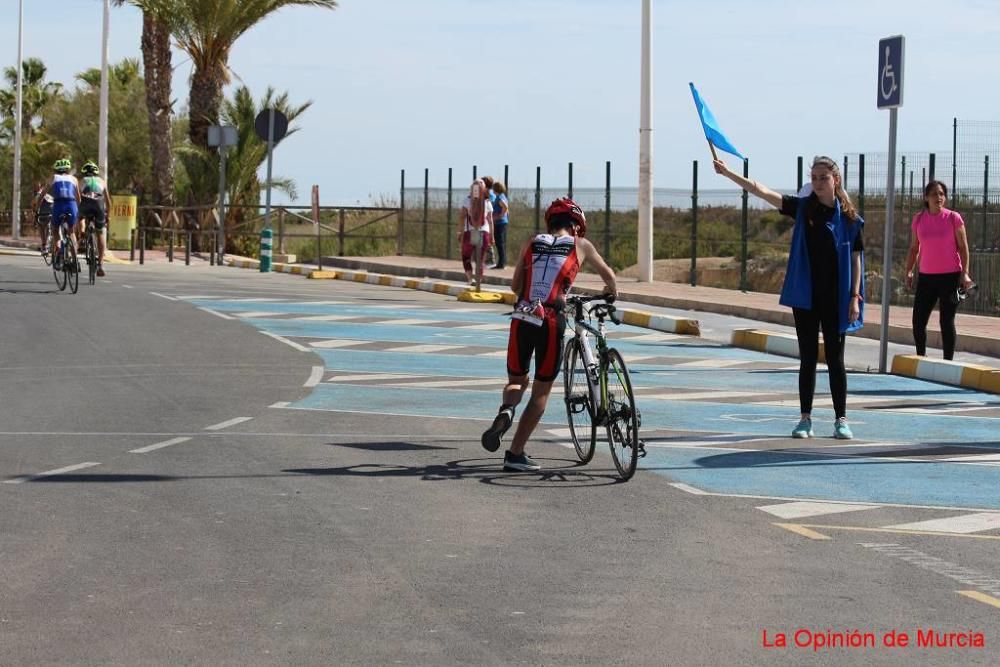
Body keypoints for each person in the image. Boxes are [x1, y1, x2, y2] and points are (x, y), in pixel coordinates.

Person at [714, 155, 864, 440]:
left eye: (824, 177)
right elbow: (762, 190)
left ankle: (841, 420)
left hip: (837, 299)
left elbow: (856, 260)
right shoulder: (803, 207)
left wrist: (855, 297)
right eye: (815, 178)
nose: (818, 183)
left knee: (836, 359)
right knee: (808, 357)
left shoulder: (850, 219)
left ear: (836, 180)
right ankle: (805, 419)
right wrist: (729, 173)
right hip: (806, 297)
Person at [481, 197, 618, 471]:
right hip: (551, 321)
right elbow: (609, 277)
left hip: (522, 317)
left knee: (517, 380)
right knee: (541, 391)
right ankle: (515, 453)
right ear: (576, 225)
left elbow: (515, 285)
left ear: (550, 222)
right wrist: (611, 293)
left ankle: (506, 410)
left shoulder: (531, 242)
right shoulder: (581, 245)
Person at [903, 180, 974, 360]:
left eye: (942, 194)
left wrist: (965, 273)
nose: (939, 197)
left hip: (951, 278)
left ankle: (948, 361)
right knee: (918, 321)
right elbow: (914, 248)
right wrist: (909, 270)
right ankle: (921, 357)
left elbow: (964, 248)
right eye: (934, 194)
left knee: (946, 321)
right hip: (926, 278)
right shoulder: (918, 219)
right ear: (926, 197)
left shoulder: (953, 218)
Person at [78, 161, 114, 277]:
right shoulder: (102, 182)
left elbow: (77, 198)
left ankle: (82, 233)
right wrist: (108, 216)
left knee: (79, 217)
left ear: (84, 173)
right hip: (99, 206)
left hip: (86, 204)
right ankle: (101, 265)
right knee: (101, 233)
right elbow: (108, 202)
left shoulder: (81, 181)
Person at [457, 179, 494, 285]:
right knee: (480, 259)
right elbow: (490, 221)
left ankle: (470, 279)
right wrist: (492, 236)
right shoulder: (487, 201)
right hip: (484, 232)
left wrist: (460, 231)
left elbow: (462, 217)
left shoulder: (467, 200)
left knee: (466, 256)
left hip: (470, 232)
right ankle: (478, 280)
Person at [47, 158, 81, 261]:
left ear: (56, 170)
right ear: (68, 169)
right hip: (71, 204)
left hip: (58, 205)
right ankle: (75, 260)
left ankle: (59, 251)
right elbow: (78, 198)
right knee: (71, 232)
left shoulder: (53, 177)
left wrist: (38, 208)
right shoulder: (74, 179)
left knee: (55, 229)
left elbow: (42, 195)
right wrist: (79, 211)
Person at [491, 180, 510, 269]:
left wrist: (500, 216)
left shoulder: (500, 197)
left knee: (499, 243)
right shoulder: (500, 196)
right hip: (500, 222)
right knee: (499, 243)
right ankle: (501, 262)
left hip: (500, 223)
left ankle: (501, 263)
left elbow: (505, 207)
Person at [32, 182, 54, 258]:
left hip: (43, 214)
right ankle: (48, 243)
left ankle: (44, 245)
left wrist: (35, 214)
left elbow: (34, 204)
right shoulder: (51, 192)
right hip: (53, 212)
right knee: (48, 225)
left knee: (41, 225)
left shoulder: (38, 194)